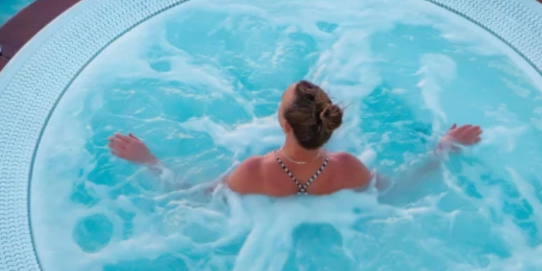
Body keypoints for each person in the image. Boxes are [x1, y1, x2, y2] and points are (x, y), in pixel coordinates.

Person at [108, 80, 482, 196]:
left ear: (284, 124)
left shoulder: (253, 172)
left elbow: (190, 197)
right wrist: (441, 152)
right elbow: (397, 190)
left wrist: (149, 162)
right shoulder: (349, 168)